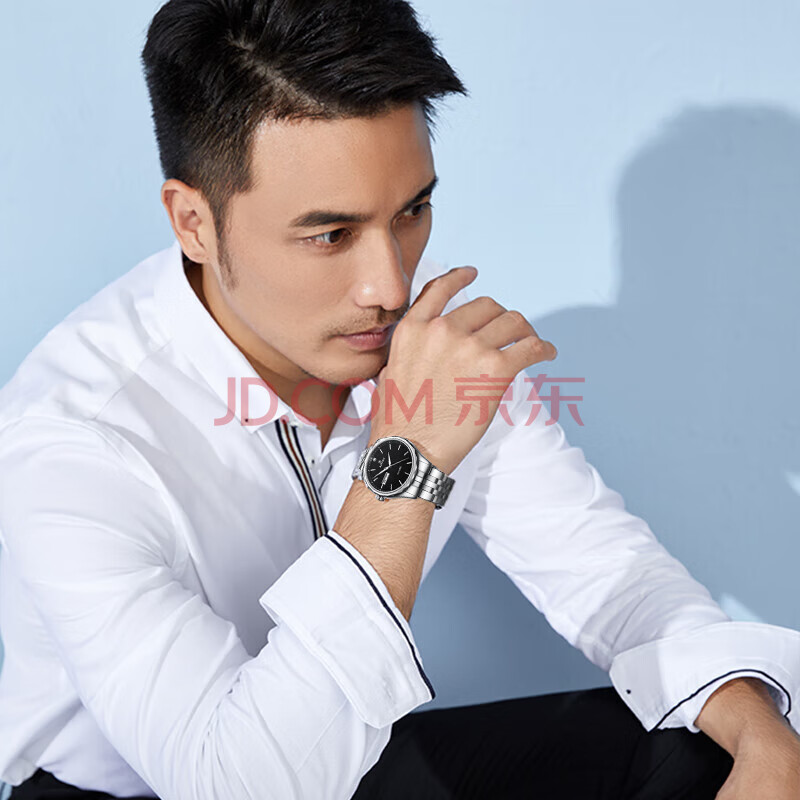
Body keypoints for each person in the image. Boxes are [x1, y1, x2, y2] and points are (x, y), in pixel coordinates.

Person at [1, 0, 799, 798]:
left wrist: (760, 729)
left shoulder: (421, 340)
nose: (388, 286)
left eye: (412, 211)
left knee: (716, 745)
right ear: (194, 223)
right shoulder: (73, 445)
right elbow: (238, 784)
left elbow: (599, 566)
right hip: (155, 790)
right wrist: (406, 461)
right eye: (330, 236)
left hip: (353, 757)